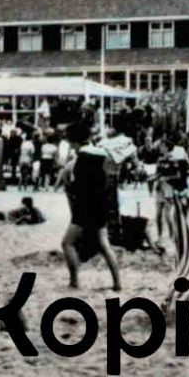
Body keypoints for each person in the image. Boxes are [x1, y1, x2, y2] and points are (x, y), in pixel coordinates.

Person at [59, 121, 121, 291]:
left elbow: (79, 188)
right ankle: (117, 282)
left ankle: (74, 281)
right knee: (103, 244)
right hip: (101, 206)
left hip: (85, 208)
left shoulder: (81, 160)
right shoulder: (103, 154)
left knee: (67, 243)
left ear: (74, 142)